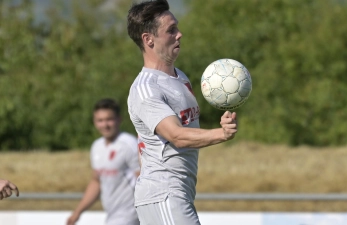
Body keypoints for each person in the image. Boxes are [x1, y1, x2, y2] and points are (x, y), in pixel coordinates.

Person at [126, 1, 238, 224]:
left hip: (176, 195)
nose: (180, 34)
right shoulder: (146, 89)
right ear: (148, 39)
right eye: (171, 30)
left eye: (177, 27)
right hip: (163, 194)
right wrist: (221, 134)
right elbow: (176, 136)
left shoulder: (180, 77)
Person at [67, 99, 140, 225]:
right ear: (94, 122)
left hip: (130, 216)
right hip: (111, 215)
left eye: (109, 119)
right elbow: (96, 182)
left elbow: (144, 179)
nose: (105, 125)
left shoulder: (130, 144)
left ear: (119, 119)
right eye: (100, 120)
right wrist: (77, 212)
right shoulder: (97, 146)